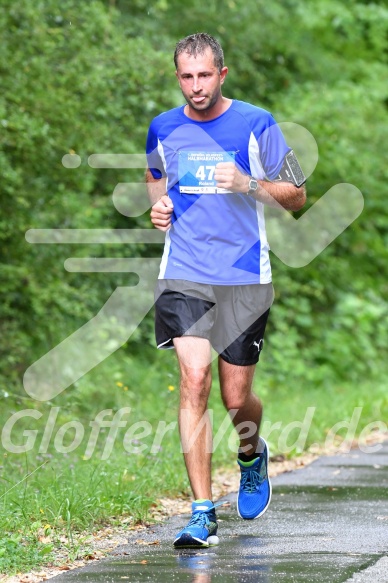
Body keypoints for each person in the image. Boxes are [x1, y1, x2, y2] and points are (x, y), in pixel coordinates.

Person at [145, 32, 306, 549]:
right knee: (194, 380)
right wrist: (158, 209)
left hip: (243, 276)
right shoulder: (163, 127)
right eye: (187, 77)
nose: (196, 87)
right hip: (185, 271)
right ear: (178, 78)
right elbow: (155, 176)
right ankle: (201, 511)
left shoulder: (257, 123)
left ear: (223, 74)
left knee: (237, 399)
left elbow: (298, 195)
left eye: (205, 75)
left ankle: (250, 453)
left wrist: (247, 184)